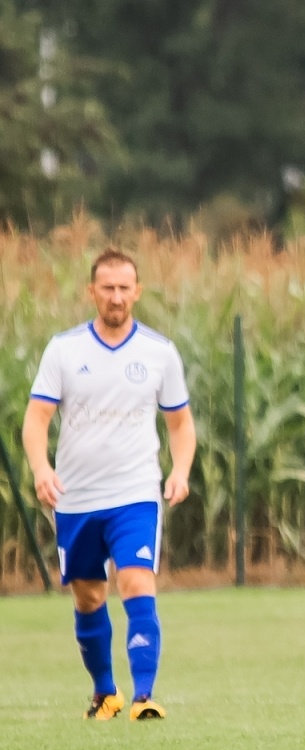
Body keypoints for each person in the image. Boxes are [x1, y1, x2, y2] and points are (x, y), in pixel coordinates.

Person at [22, 249, 194, 721]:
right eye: (108, 288)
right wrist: (41, 468)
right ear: (92, 292)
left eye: (124, 288)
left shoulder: (159, 352)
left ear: (137, 292)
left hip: (135, 493)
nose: (116, 297)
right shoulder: (64, 350)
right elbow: (37, 418)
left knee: (136, 580)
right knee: (89, 596)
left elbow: (180, 423)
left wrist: (180, 470)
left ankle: (144, 697)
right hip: (75, 496)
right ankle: (106, 693)